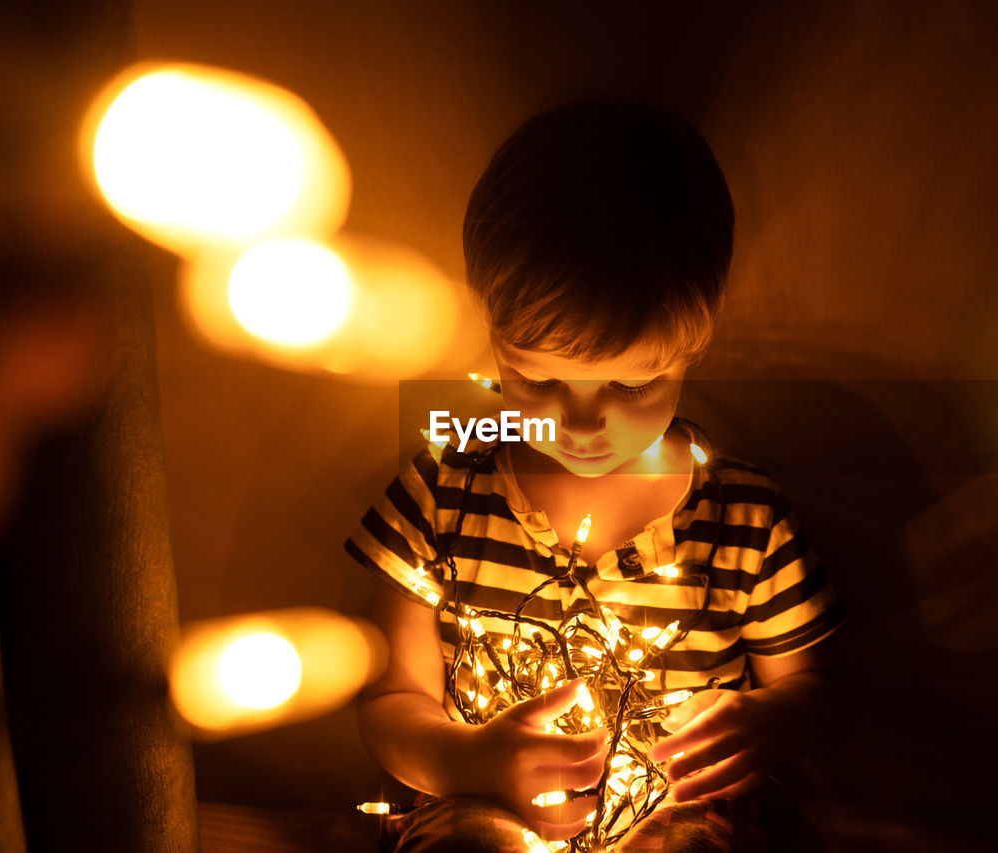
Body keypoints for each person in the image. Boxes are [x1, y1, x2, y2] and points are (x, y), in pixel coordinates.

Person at [347, 101, 845, 852]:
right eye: (536, 378)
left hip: (683, 820)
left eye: (630, 387)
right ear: (491, 332)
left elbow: (814, 692)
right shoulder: (441, 493)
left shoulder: (744, 523)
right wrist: (470, 760)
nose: (580, 425)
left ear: (695, 342)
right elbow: (392, 697)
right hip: (483, 810)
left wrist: (765, 724)